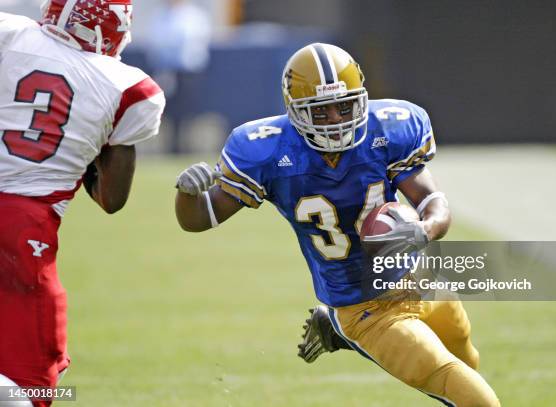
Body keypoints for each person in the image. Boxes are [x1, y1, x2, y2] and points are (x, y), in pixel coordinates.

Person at [174, 43, 499, 406]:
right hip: (367, 309)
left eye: (344, 107)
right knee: (476, 399)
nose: (335, 119)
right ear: (294, 111)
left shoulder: (389, 127)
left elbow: (432, 202)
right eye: (320, 111)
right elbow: (202, 217)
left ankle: (336, 332)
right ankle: (344, 329)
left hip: (422, 279)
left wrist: (424, 230)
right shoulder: (265, 150)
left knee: (469, 364)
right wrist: (186, 195)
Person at [0, 2, 165, 406]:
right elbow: (113, 199)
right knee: (27, 387)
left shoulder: (9, 33)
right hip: (23, 226)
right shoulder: (128, 86)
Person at [146, 0, 212, 154]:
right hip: (166, 71)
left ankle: (187, 146)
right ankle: (172, 146)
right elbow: (156, 42)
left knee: (188, 111)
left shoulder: (194, 15)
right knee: (168, 111)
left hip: (189, 72)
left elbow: (196, 42)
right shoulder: (160, 15)